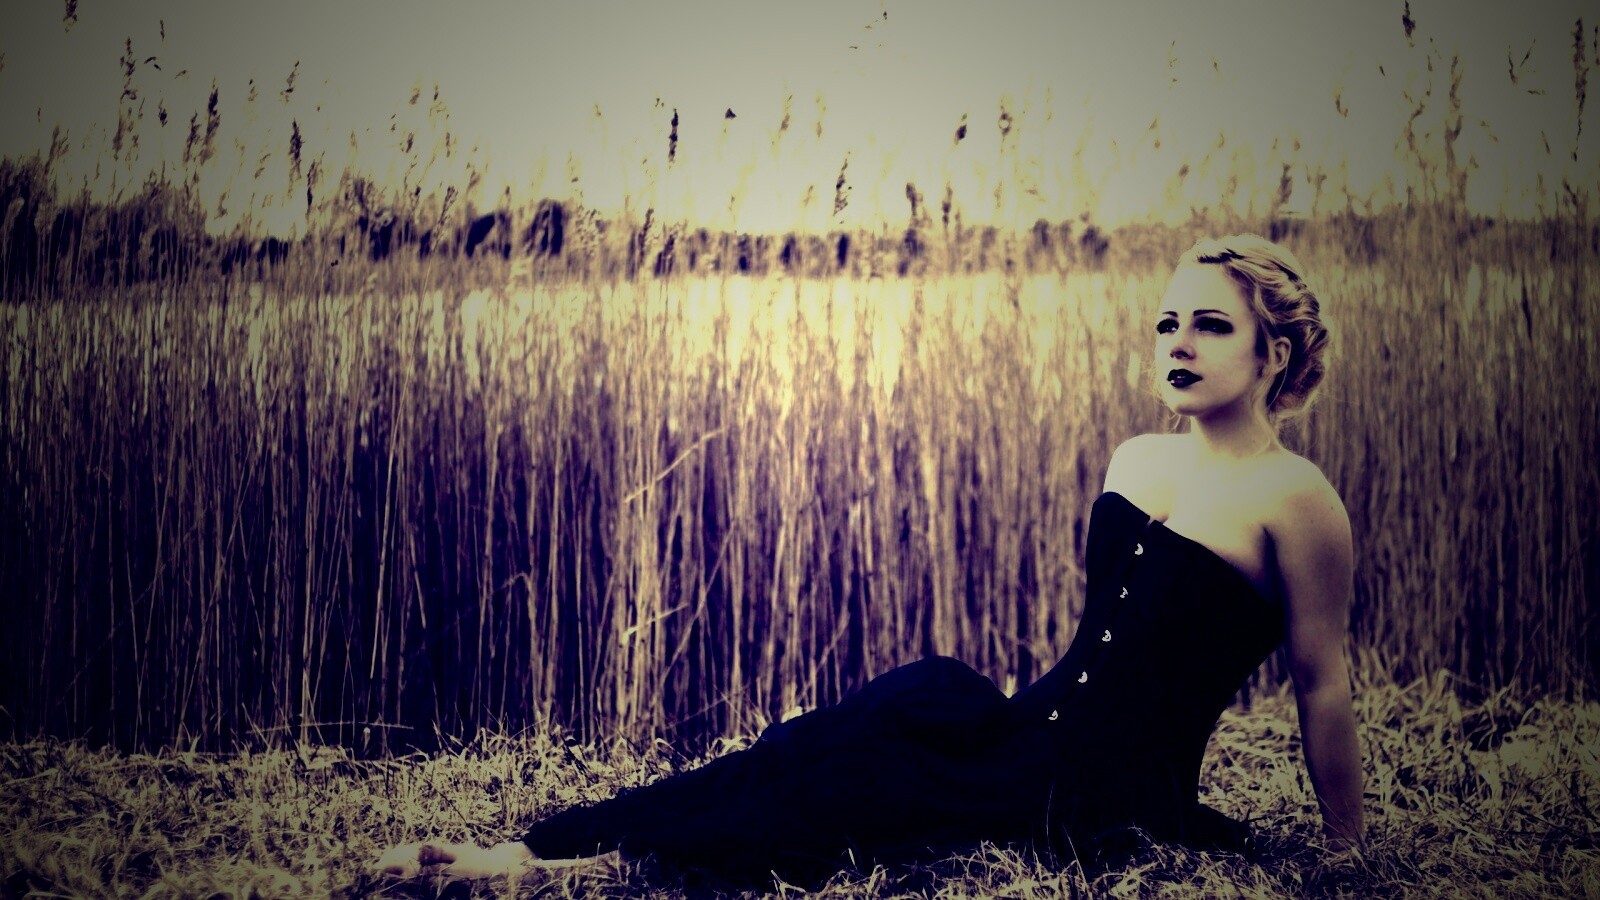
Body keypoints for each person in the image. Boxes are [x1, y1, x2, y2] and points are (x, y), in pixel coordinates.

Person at [375, 233, 1364, 886]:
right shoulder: (1136, 460)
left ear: (1272, 353)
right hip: (1028, 729)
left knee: (852, 790)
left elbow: (1322, 684)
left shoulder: (1298, 501)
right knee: (837, 734)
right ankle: (536, 847)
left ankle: (569, 868)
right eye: (1167, 323)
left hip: (1105, 796)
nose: (1178, 342)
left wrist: (1346, 853)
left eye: (1210, 326)